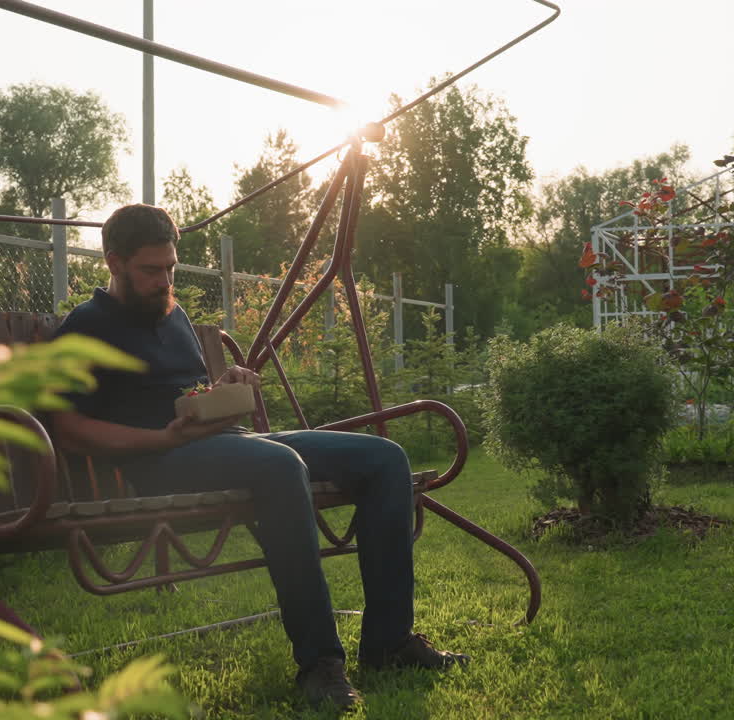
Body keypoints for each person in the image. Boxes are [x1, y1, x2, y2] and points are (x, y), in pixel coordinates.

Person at [50, 204, 468, 709]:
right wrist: (162, 439)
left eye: (171, 267)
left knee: (385, 459)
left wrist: (223, 389)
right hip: (158, 465)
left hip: (223, 443)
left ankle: (389, 643)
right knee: (281, 466)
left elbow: (187, 394)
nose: (164, 281)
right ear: (114, 263)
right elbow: (65, 426)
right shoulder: (86, 327)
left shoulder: (172, 314)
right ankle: (319, 663)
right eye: (151, 270)